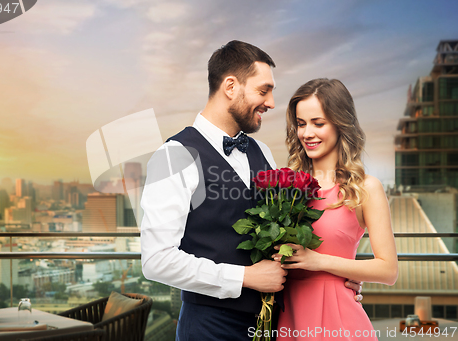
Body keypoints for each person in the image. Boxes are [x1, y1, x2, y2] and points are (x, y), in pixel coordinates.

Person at [140, 42, 362, 341]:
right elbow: (157, 260)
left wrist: (337, 278)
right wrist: (244, 277)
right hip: (209, 327)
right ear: (231, 86)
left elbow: (283, 236)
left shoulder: (262, 152)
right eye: (263, 90)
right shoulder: (174, 156)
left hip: (271, 323)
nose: (271, 102)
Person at [274, 78, 398, 340]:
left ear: (341, 124)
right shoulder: (286, 187)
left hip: (339, 322)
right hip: (287, 317)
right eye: (301, 124)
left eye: (318, 123)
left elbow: (388, 270)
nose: (307, 133)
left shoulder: (366, 188)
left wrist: (319, 261)